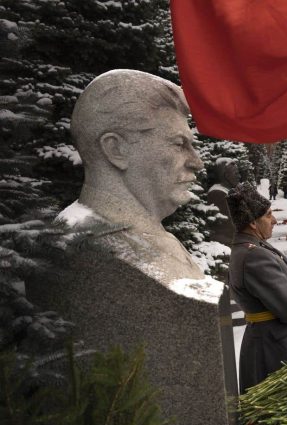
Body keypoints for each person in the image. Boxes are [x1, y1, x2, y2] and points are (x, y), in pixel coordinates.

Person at [59, 69, 205, 287]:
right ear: (116, 149)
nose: (197, 162)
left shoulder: (140, 237)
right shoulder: (100, 251)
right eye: (178, 144)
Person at [227, 184, 287, 391]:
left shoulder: (251, 248)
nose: (274, 220)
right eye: (268, 216)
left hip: (271, 342)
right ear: (252, 223)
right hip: (276, 349)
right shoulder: (254, 255)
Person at [207, 160, 240, 246]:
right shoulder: (218, 193)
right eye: (236, 173)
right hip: (227, 244)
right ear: (226, 176)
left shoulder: (228, 190)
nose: (239, 176)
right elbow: (229, 226)